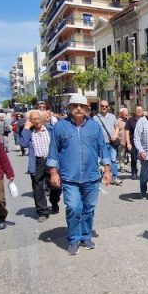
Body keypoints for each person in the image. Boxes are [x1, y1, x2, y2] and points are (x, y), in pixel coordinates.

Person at [47, 93, 113, 256]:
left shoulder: (94, 126)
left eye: (81, 106)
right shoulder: (60, 127)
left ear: (87, 109)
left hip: (91, 176)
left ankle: (86, 235)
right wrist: (53, 172)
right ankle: (74, 238)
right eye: (75, 105)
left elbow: (102, 148)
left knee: (89, 208)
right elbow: (53, 151)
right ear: (69, 108)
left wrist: (107, 169)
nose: (78, 108)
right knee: (74, 207)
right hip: (70, 177)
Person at [19, 110, 60, 222]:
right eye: (33, 119)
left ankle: (54, 201)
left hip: (51, 161)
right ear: (30, 121)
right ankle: (43, 212)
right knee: (38, 187)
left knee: (56, 186)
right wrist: (26, 128)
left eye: (38, 118)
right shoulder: (29, 132)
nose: (36, 121)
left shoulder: (51, 130)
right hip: (37, 162)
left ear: (42, 119)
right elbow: (23, 143)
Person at [93, 99, 123, 186]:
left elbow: (117, 127)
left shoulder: (113, 117)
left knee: (113, 160)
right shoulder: (95, 118)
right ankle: (103, 176)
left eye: (106, 106)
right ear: (100, 107)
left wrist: (115, 135)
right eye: (102, 106)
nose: (104, 108)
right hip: (102, 144)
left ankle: (114, 177)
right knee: (103, 161)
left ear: (108, 107)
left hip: (112, 143)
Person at [125, 105, 144, 181]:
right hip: (133, 142)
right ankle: (134, 171)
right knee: (133, 159)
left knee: (145, 159)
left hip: (143, 143)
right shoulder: (130, 120)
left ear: (142, 111)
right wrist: (128, 143)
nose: (138, 111)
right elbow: (127, 132)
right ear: (134, 111)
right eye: (137, 109)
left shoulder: (145, 120)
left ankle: (146, 174)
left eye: (140, 109)